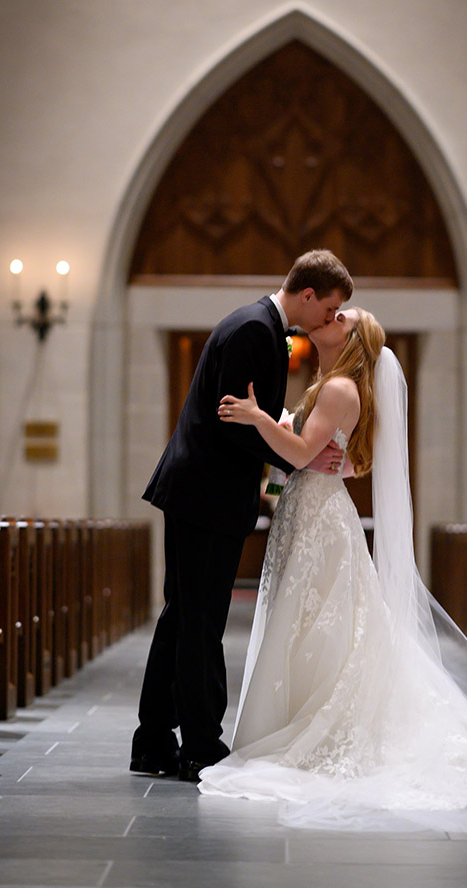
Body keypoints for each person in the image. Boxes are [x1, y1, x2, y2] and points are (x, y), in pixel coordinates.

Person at [199, 307, 467, 833]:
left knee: (319, 622)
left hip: (321, 518)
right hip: (313, 510)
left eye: (338, 316)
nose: (327, 317)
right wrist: (299, 460)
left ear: (349, 336)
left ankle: (313, 725)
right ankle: (298, 715)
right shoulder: (334, 385)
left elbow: (307, 453)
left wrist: (262, 419)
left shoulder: (339, 389)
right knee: (310, 620)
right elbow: (346, 459)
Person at [130, 250, 354, 782]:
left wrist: (288, 443)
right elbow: (232, 421)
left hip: (199, 491)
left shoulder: (259, 326)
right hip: (206, 494)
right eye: (329, 308)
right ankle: (200, 746)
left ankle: (154, 741)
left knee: (184, 616)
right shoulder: (255, 330)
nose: (330, 319)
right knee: (199, 621)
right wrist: (298, 455)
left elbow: (247, 416)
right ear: (307, 296)